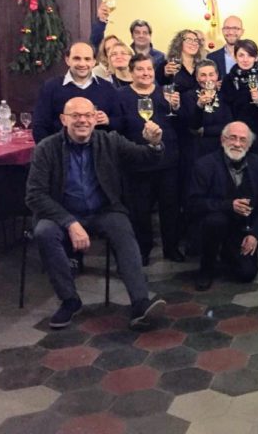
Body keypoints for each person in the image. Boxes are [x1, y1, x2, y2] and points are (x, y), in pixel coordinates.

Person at [25, 97, 167, 330]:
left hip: (103, 210)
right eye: (76, 116)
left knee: (123, 229)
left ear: (95, 117)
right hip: (62, 212)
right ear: (63, 119)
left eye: (88, 115)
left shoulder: (109, 140)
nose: (82, 120)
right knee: (43, 232)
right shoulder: (46, 148)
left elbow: (145, 158)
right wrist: (70, 222)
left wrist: (155, 145)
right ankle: (69, 300)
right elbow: (34, 195)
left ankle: (141, 303)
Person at [117, 54, 183, 264]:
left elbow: (179, 124)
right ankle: (143, 249)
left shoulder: (166, 94)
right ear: (131, 72)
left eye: (149, 69)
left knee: (170, 207)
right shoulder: (121, 95)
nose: (145, 73)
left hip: (167, 160)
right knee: (140, 210)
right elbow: (118, 127)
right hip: (138, 161)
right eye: (140, 69)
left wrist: (177, 108)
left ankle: (171, 248)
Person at [189, 122, 258, 291]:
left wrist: (254, 235)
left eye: (242, 140)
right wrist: (228, 205)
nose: (237, 144)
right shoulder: (204, 165)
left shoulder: (257, 164)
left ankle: (227, 253)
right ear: (222, 139)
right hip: (211, 225)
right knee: (216, 221)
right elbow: (193, 204)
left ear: (249, 144)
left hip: (241, 228)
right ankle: (206, 267)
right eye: (232, 138)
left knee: (246, 274)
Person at [32, 42, 121, 144]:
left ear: (94, 62)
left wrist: (108, 121)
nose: (82, 64)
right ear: (67, 60)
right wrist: (50, 153)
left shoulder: (108, 88)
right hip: (60, 153)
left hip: (99, 155)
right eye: (77, 58)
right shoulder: (50, 87)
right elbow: (39, 126)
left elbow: (121, 123)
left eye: (87, 59)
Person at [220, 39, 258, 153]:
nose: (245, 59)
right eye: (241, 55)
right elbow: (225, 108)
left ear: (256, 57)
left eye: (250, 55)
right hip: (234, 135)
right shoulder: (228, 80)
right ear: (235, 57)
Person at [182, 59, 234, 158]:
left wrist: (205, 131)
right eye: (203, 75)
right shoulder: (188, 96)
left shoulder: (224, 95)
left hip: (222, 150)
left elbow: (229, 125)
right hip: (197, 151)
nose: (207, 79)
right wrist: (199, 106)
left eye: (211, 74)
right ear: (197, 77)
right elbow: (193, 128)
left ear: (217, 75)